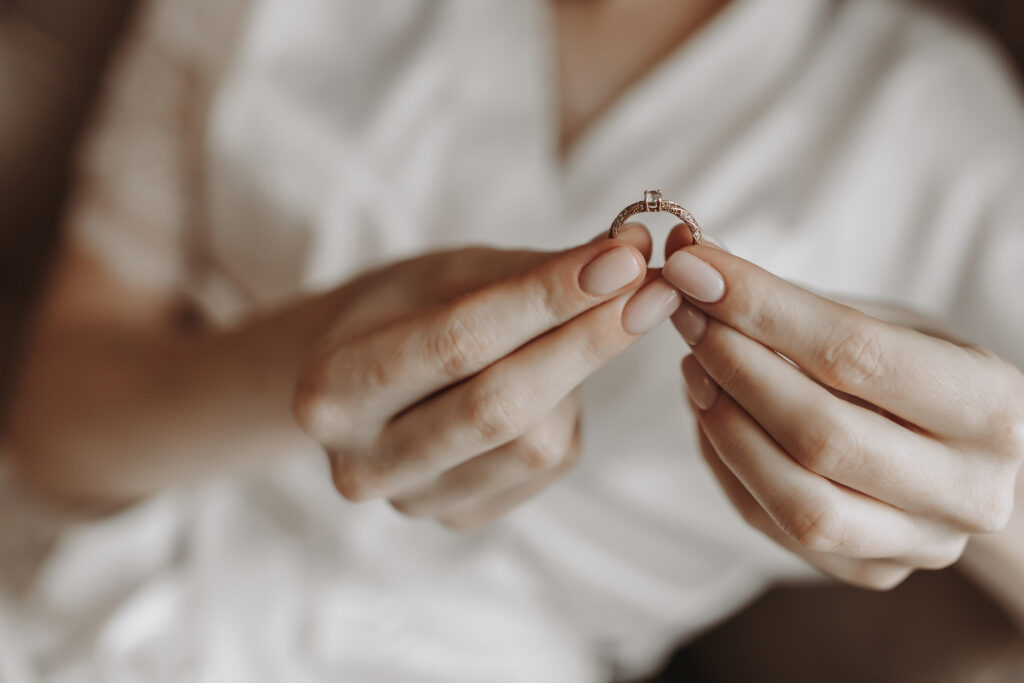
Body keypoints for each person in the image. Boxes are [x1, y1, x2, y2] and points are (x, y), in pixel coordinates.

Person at [3, 0, 1023, 680]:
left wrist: (977, 483)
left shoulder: (941, 130)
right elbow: (56, 426)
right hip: (72, 600)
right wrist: (306, 352)